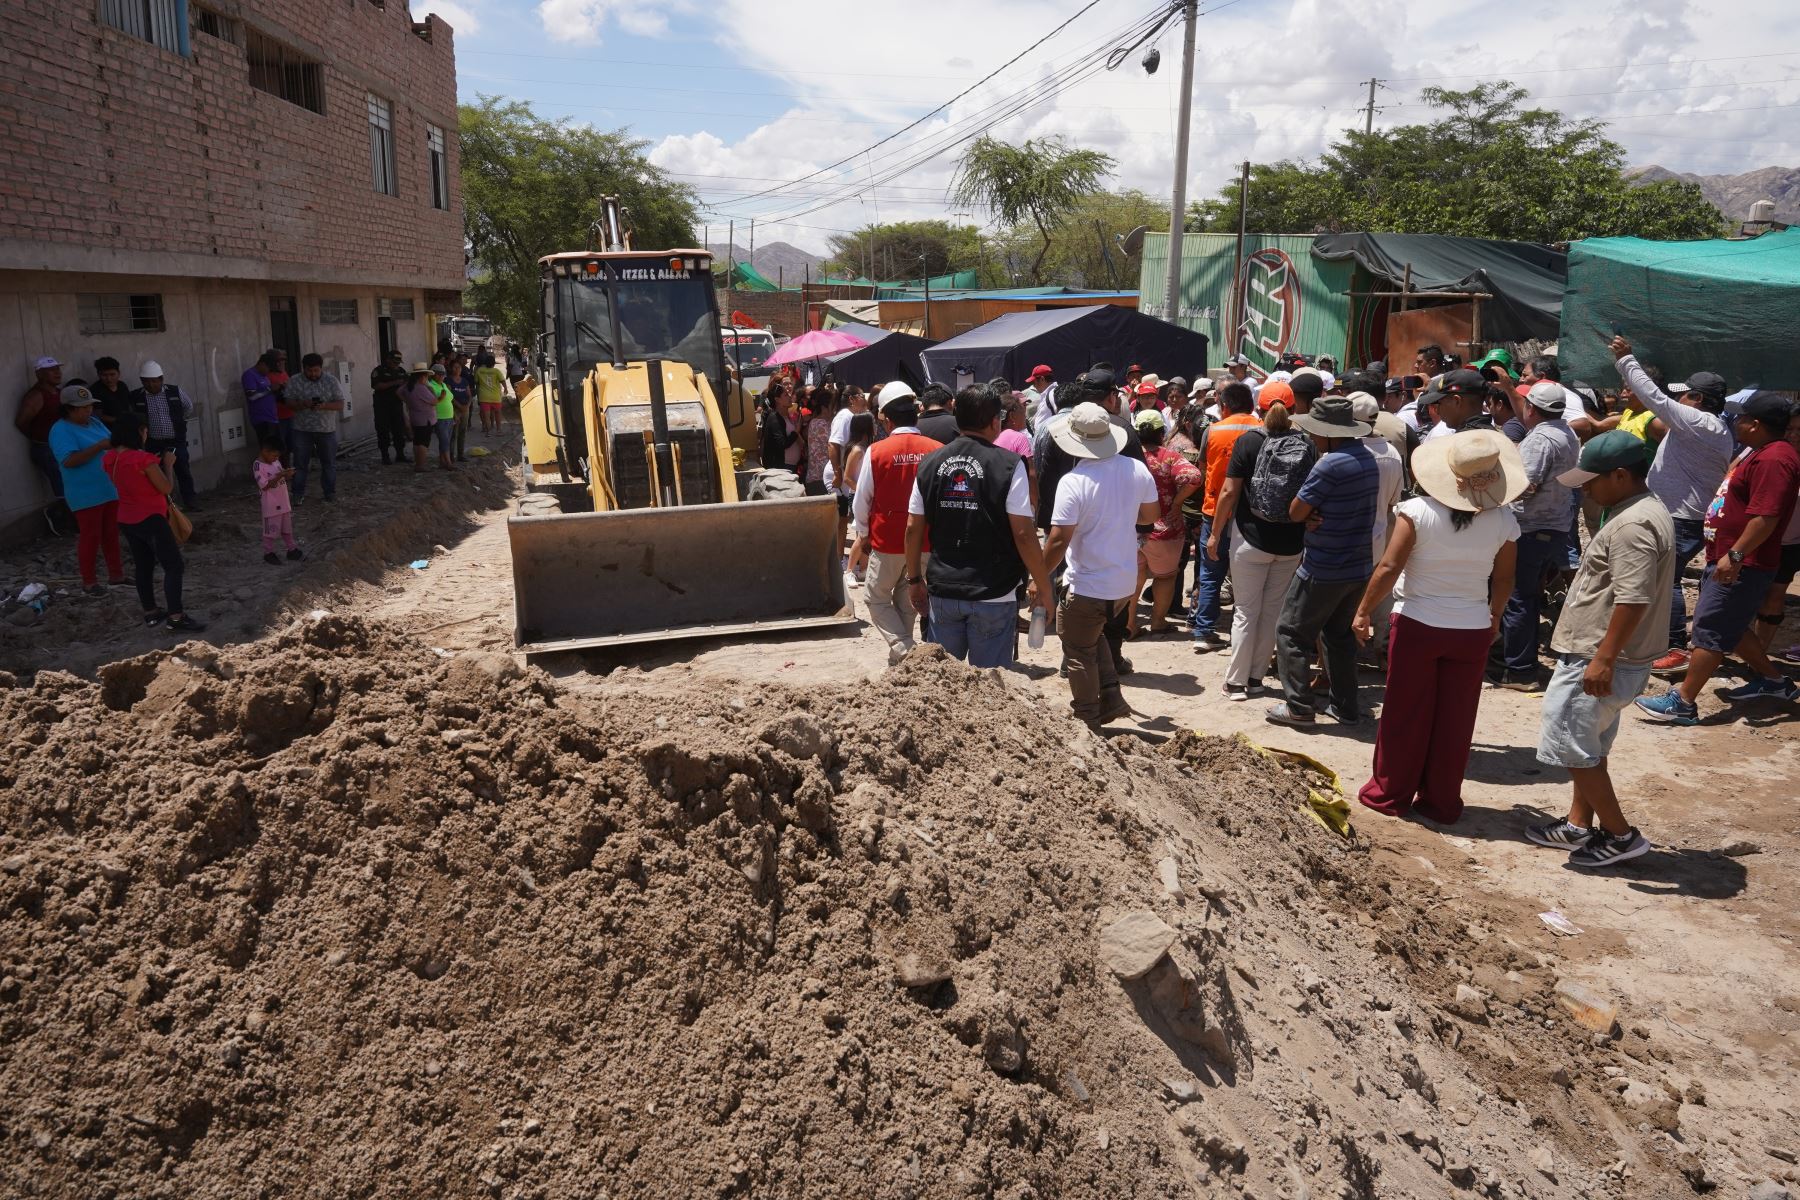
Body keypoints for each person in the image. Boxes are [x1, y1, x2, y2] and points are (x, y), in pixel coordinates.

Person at [1352, 430, 1524, 823]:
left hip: (1417, 624)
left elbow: (1390, 567)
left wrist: (1363, 611)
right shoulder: (1503, 519)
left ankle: (1390, 792)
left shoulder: (1417, 512)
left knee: (1404, 713)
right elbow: (1503, 579)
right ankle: (1441, 800)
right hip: (1472, 628)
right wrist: (1494, 615)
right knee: (1456, 720)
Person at [1522, 431, 1674, 867]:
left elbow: (1633, 597)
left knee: (1572, 745)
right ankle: (1577, 825)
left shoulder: (1631, 525)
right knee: (1590, 746)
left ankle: (1622, 836)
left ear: (1622, 476)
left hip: (1599, 656)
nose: (1585, 490)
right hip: (1610, 655)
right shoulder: (1642, 509)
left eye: (1592, 481)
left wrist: (1603, 658)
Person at [1636, 394, 1800, 722]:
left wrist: (1736, 555)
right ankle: (1774, 681)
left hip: (1743, 563)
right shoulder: (1761, 452)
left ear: (1755, 424)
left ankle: (1683, 703)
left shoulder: (1775, 459)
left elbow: (1765, 517)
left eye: (1741, 418)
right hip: (1731, 558)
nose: (1735, 422)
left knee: (1709, 628)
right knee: (1733, 627)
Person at [1609, 337, 1734, 677]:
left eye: (1686, 394)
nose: (1680, 398)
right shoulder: (1709, 425)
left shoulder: (1700, 422)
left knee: (1668, 582)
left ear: (1698, 399)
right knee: (1663, 580)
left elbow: (1654, 398)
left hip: (1681, 519)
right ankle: (1662, 641)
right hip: (1684, 515)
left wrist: (1626, 359)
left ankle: (1675, 646)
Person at [903, 386, 1050, 669]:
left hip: (944, 589)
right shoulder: (1009, 464)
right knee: (992, 687)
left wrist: (913, 580)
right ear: (995, 421)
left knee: (944, 686)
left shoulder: (930, 463)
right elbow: (1023, 534)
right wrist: (1043, 585)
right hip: (994, 591)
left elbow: (912, 527)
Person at [1042, 402, 1160, 728]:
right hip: (1124, 582)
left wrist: (1038, 579)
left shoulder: (1075, 480)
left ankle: (1087, 719)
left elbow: (1057, 540)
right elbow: (1150, 516)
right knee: (1094, 636)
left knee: (1079, 649)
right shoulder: (1136, 469)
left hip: (1088, 583)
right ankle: (1111, 696)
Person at [1266, 393, 1380, 728]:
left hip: (1323, 566)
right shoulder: (1367, 457)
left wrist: (1310, 514)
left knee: (1290, 632)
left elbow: (1296, 510)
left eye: (1315, 430)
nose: (1312, 436)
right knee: (1339, 636)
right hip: (1358, 565)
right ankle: (1346, 708)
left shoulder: (1329, 463)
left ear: (1329, 431)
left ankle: (1299, 708)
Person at [1210, 384, 1312, 700]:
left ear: (1260, 409)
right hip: (1291, 543)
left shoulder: (1249, 442)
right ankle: (1256, 680)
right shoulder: (1307, 444)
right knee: (1271, 613)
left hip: (1250, 540)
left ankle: (1236, 683)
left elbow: (1228, 493)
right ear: (1294, 409)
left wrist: (1215, 534)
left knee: (1245, 612)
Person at [1493, 381, 1581, 689]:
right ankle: (1521, 663)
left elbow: (1525, 486)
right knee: (1528, 596)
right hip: (1555, 526)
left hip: (1529, 529)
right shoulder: (1567, 433)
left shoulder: (1541, 439)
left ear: (1531, 408)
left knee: (1518, 597)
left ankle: (1520, 670)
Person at [851, 383, 941, 664]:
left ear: (887, 419)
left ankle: (905, 651)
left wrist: (863, 534)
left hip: (887, 540)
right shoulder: (937, 450)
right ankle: (901, 662)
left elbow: (862, 499)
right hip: (926, 541)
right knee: (906, 602)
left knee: (875, 597)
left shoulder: (877, 451)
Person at [104, 419, 204, 632]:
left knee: (143, 565)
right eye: (145, 431)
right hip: (151, 518)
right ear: (138, 432)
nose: (146, 435)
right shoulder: (144, 459)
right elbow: (166, 488)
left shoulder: (110, 458)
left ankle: (150, 612)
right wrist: (167, 465)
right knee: (173, 565)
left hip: (127, 518)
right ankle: (176, 617)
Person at [1188, 381, 1259, 650]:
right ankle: (1244, 632)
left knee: (1210, 571)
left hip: (1214, 509)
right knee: (1248, 574)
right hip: (1250, 512)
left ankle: (1204, 631)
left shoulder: (1214, 430)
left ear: (1224, 405)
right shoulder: (1262, 427)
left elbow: (1204, 467)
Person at [49, 385, 125, 595]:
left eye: (89, 406)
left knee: (111, 533)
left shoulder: (95, 423)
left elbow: (113, 442)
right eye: (81, 408)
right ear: (68, 409)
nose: (87, 411)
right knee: (90, 536)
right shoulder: (60, 430)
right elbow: (69, 461)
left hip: (108, 487)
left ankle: (116, 575)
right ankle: (89, 581)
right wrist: (98, 447)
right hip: (85, 493)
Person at [1133, 409, 1202, 636]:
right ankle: (1158, 622)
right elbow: (1194, 477)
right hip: (1164, 530)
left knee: (1135, 576)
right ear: (1161, 432)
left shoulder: (1130, 458)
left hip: (1131, 529)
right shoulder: (1168, 456)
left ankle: (1129, 625)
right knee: (1166, 576)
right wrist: (1176, 503)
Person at [129, 361, 198, 508]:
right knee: (156, 473)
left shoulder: (174, 392)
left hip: (176, 440)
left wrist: (179, 422)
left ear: (161, 379)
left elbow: (188, 407)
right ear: (142, 381)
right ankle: (163, 503)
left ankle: (190, 501)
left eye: (154, 381)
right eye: (147, 381)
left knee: (183, 470)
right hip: (153, 442)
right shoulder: (136, 397)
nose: (151, 384)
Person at [285, 353, 346, 505]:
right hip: (301, 429)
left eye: (316, 371)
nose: (313, 374)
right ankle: (297, 494)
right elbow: (288, 402)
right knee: (300, 464)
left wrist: (324, 405)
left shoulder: (331, 380)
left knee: (328, 463)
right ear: (304, 368)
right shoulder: (294, 380)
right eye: (309, 371)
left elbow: (340, 404)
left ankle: (329, 493)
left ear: (321, 368)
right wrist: (302, 404)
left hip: (326, 430)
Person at [17, 356, 68, 527]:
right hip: (46, 447)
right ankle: (60, 517)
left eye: (57, 369)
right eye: (51, 370)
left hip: (61, 446)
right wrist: (39, 438)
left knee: (68, 480)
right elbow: (22, 422)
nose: (57, 373)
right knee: (60, 482)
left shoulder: (59, 393)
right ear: (39, 374)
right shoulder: (36, 396)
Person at [839, 411, 877, 579]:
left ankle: (862, 569)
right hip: (858, 496)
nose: (876, 426)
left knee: (863, 535)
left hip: (864, 496)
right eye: (873, 423)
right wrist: (863, 492)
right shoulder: (857, 450)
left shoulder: (865, 448)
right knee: (862, 535)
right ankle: (851, 570)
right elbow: (847, 477)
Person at [254, 436, 302, 564]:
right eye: (274, 456)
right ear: (265, 451)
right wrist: (280, 475)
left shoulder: (276, 462)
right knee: (271, 530)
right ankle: (268, 552)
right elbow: (264, 485)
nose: (276, 459)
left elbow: (280, 475)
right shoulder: (258, 466)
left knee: (287, 528)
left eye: (277, 456)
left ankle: (291, 549)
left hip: (283, 501)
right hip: (271, 504)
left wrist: (286, 474)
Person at [1419, 369, 1494, 443]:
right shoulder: (1499, 435)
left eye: (1439, 403)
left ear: (1456, 401)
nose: (1438, 411)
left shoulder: (1456, 444)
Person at [994, 393, 1036, 508]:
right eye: (1022, 412)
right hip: (1016, 503)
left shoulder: (992, 437)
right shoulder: (1020, 438)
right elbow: (1031, 475)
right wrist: (1037, 505)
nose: (1025, 416)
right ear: (1012, 416)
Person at [370, 351, 412, 464]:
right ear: (388, 359)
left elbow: (407, 386)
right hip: (382, 406)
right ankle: (385, 456)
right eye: (394, 362)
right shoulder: (379, 371)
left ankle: (400, 454)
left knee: (398, 430)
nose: (396, 365)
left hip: (396, 405)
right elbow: (376, 386)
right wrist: (394, 383)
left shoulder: (401, 371)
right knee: (383, 430)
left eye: (398, 362)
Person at [826, 384, 869, 487]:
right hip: (839, 477)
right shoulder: (845, 416)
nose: (865, 400)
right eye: (862, 396)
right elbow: (833, 445)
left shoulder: (852, 416)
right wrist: (838, 474)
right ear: (851, 399)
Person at [400, 364, 439, 473]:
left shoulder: (408, 386)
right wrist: (431, 390)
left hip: (415, 417)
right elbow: (435, 401)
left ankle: (418, 463)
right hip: (425, 419)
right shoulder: (421, 388)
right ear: (422, 377)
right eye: (426, 376)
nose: (427, 379)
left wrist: (407, 401)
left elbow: (398, 392)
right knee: (423, 443)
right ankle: (420, 465)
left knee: (417, 442)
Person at [759, 380, 802, 475]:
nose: (790, 396)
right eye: (786, 395)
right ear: (777, 399)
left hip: (790, 466)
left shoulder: (787, 416)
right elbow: (783, 444)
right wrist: (796, 431)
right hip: (782, 468)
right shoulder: (774, 418)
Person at [242, 351, 281, 451]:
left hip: (272, 418)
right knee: (269, 450)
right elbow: (252, 396)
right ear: (262, 364)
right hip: (262, 420)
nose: (269, 372)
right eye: (269, 369)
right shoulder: (249, 374)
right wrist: (269, 389)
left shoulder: (264, 376)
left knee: (276, 449)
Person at [90, 356, 133, 429]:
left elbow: (129, 406)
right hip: (107, 431)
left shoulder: (122, 386)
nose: (109, 379)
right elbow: (96, 415)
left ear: (118, 373)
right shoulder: (95, 390)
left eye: (112, 374)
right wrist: (118, 420)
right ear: (98, 375)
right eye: (104, 375)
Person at [444, 357, 473, 462]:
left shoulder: (464, 381)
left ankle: (460, 455)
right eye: (455, 367)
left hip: (465, 409)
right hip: (454, 409)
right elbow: (449, 396)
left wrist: (467, 406)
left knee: (463, 432)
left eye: (459, 367)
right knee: (453, 433)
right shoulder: (448, 380)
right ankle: (451, 456)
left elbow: (469, 395)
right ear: (451, 369)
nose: (457, 369)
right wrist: (460, 406)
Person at [429, 363, 456, 470]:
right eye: (439, 374)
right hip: (440, 417)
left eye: (443, 374)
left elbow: (450, 400)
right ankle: (448, 463)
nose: (441, 376)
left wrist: (454, 416)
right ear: (433, 375)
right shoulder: (430, 385)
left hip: (449, 417)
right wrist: (441, 397)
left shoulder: (443, 385)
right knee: (444, 440)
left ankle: (442, 462)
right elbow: (431, 401)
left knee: (446, 441)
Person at [473, 352, 506, 435]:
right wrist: (505, 389)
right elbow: (503, 381)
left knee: (486, 415)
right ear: (494, 363)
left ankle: (488, 432)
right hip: (495, 396)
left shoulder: (479, 370)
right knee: (498, 413)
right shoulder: (496, 371)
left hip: (484, 396)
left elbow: (476, 382)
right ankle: (499, 430)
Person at [1024, 364, 1056, 429]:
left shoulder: (1053, 394)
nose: (1034, 386)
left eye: (1034, 382)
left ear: (1042, 379)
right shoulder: (1048, 394)